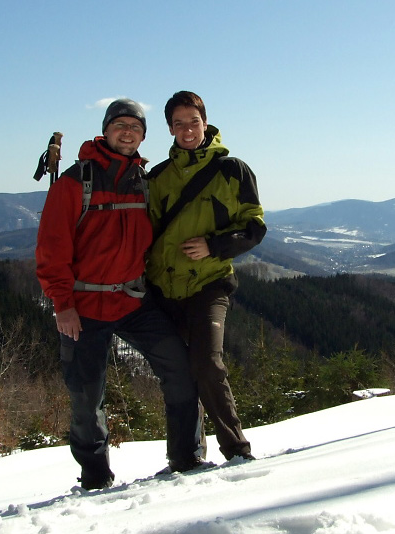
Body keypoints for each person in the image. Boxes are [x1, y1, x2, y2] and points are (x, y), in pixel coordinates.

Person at [35, 98, 203, 490]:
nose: (128, 132)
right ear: (106, 130)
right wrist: (62, 304)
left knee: (179, 369)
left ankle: (187, 457)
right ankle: (95, 479)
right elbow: (50, 250)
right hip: (84, 306)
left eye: (136, 127)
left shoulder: (144, 182)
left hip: (134, 300)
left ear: (143, 136)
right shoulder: (75, 182)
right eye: (120, 125)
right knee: (85, 397)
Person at [145, 90, 267, 462]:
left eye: (193, 122)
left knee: (207, 364)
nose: (187, 130)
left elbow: (255, 227)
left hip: (208, 285)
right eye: (178, 124)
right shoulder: (158, 177)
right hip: (163, 289)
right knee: (178, 374)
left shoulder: (233, 170)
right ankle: (185, 456)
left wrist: (215, 246)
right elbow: (145, 233)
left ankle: (237, 450)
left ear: (205, 121)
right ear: (169, 128)